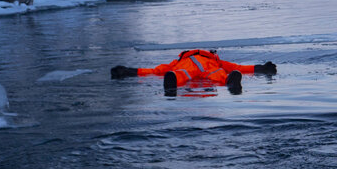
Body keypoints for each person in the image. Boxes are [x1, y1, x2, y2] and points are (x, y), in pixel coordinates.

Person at [111, 49, 277, 94]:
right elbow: (238, 68)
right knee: (219, 75)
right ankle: (229, 83)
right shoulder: (215, 60)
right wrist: (261, 68)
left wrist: (130, 71)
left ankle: (173, 83)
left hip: (185, 67)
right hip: (209, 69)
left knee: (180, 74)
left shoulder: (180, 60)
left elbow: (156, 70)